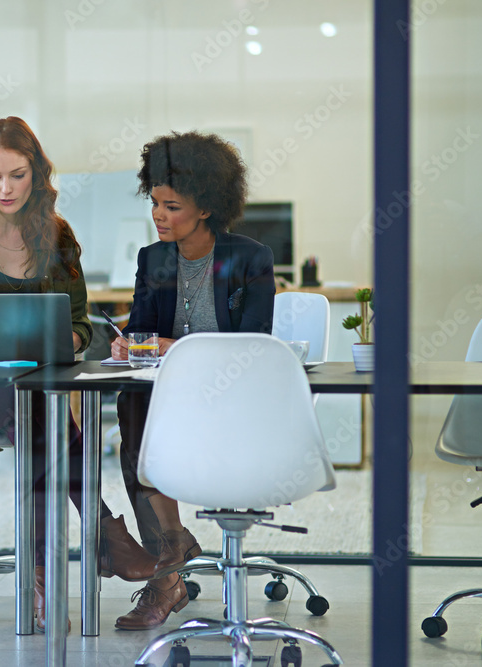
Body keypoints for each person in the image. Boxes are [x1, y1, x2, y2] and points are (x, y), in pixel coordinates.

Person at [0, 116, 156, 632]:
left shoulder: (56, 234)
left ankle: (45, 579)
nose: (5, 189)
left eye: (17, 176)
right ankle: (101, 535)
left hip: (33, 396)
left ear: (36, 174)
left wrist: (68, 340)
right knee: (43, 420)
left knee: (38, 415)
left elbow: (78, 321)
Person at [110, 131, 276, 630]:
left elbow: (253, 344)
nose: (158, 215)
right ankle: (171, 553)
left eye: (172, 205)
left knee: (142, 419)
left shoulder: (251, 258)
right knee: (131, 409)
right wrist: (127, 344)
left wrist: (172, 347)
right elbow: (142, 330)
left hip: (230, 401)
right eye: (155, 202)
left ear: (206, 208)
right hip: (168, 398)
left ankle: (167, 569)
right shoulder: (153, 259)